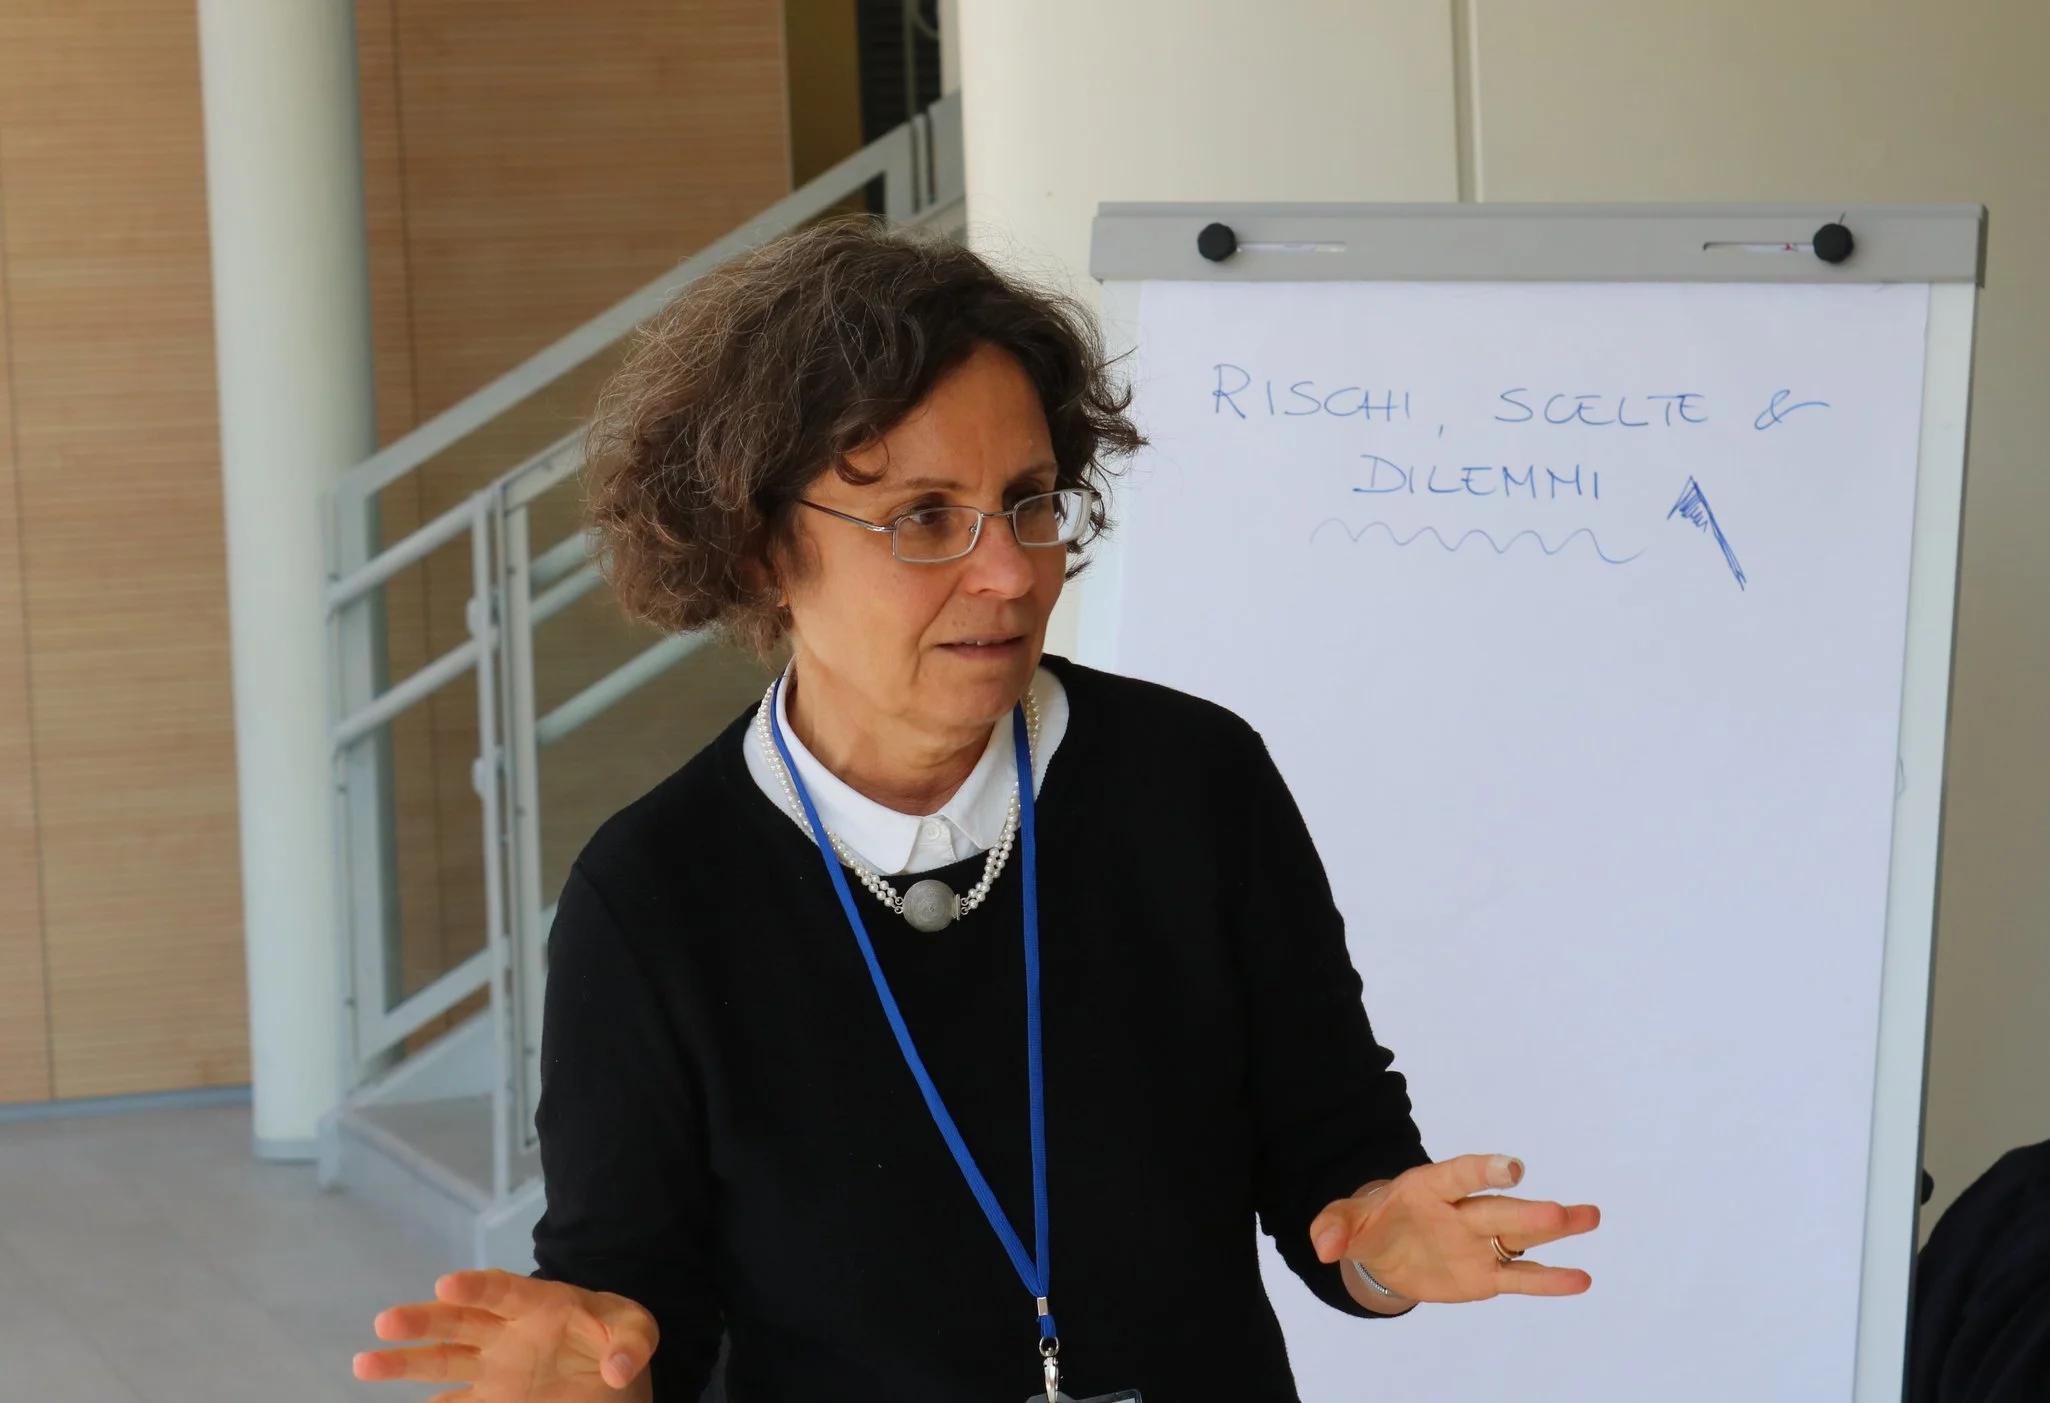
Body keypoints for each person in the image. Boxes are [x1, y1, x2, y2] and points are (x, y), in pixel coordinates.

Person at [350, 219, 1601, 1402]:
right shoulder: (656, 894)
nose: (1008, 571)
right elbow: (632, 1308)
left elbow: (1339, 1174)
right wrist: (601, 1374)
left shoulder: (1194, 781)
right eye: (924, 518)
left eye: (1031, 499)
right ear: (759, 547)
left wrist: (1386, 1253)